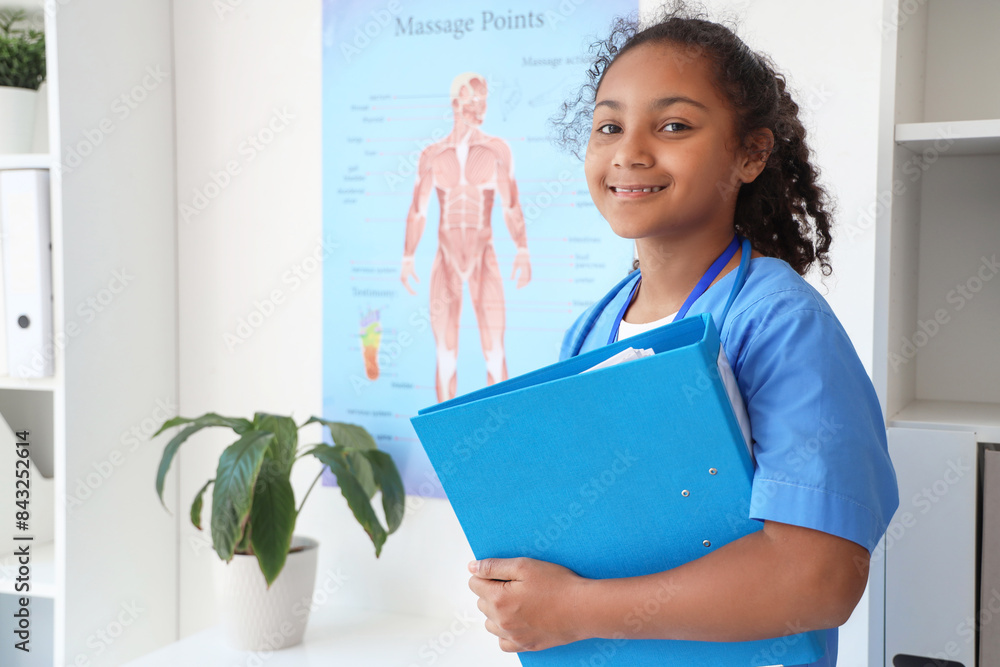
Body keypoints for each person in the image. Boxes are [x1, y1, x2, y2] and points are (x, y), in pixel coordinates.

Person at [466, 5, 899, 667]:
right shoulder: (590, 329)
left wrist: (573, 608)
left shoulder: (779, 323)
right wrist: (518, 591)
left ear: (751, 153)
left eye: (673, 126)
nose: (630, 152)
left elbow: (819, 578)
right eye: (609, 126)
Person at [400, 72, 532, 403]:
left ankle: (500, 429)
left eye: (484, 100)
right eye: (474, 100)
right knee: (445, 356)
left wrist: (522, 249)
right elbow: (418, 210)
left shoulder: (496, 150)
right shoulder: (432, 155)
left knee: (495, 352)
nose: (482, 107)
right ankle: (445, 430)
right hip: (446, 258)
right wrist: (408, 256)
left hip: (482, 256)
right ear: (456, 102)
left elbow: (511, 204)